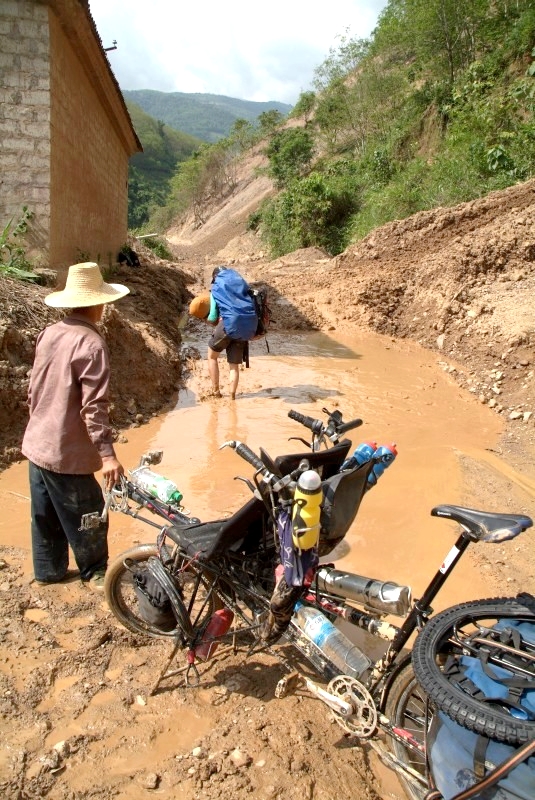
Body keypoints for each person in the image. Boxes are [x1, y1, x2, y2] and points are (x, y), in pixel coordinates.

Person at [21, 262, 130, 590]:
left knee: (46, 517)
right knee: (90, 514)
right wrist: (108, 456)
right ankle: (96, 574)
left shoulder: (50, 333)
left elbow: (34, 388)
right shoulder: (92, 344)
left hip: (37, 442)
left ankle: (49, 573)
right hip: (65, 451)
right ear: (99, 304)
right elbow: (93, 408)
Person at [189, 267, 256, 400]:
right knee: (234, 366)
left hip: (228, 325)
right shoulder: (241, 290)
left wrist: (207, 320)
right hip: (244, 328)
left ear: (215, 279)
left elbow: (213, 317)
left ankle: (216, 392)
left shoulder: (217, 290)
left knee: (212, 356)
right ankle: (232, 397)